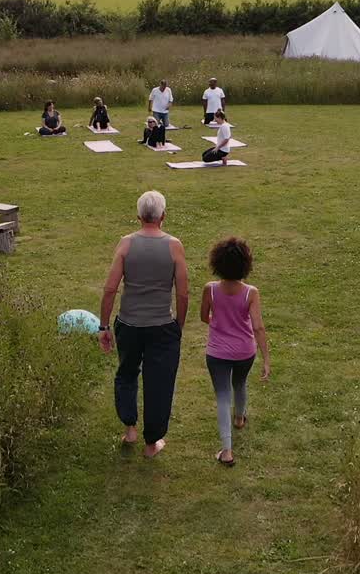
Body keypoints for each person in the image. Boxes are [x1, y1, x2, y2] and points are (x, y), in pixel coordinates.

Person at [98, 191, 189, 458]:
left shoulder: (126, 244)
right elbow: (183, 293)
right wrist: (178, 327)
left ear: (138, 217)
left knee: (126, 372)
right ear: (163, 216)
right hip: (162, 326)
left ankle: (130, 430)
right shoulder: (174, 246)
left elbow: (110, 289)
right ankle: (152, 444)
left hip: (129, 324)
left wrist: (104, 327)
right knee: (159, 383)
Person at [200, 237, 269, 466]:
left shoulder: (210, 290)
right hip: (244, 352)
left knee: (222, 396)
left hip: (217, 353)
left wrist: (219, 324)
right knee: (240, 383)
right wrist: (266, 359)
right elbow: (258, 327)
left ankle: (227, 451)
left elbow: (203, 317)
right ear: (245, 265)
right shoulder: (251, 293)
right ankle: (239, 418)